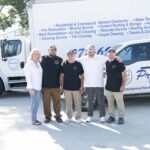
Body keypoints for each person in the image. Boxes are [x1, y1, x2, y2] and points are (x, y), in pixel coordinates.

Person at [78, 44, 107, 123]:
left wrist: (117, 58)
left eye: (92, 49)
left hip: (99, 84)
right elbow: (73, 60)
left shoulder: (100, 58)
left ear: (95, 50)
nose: (90, 50)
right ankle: (89, 116)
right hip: (88, 84)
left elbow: (111, 59)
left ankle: (102, 116)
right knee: (89, 101)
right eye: (89, 49)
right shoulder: (83, 59)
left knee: (101, 101)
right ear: (86, 51)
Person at [41, 45, 63, 123]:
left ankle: (58, 116)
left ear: (56, 51)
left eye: (54, 50)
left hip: (56, 86)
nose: (52, 51)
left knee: (57, 103)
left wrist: (61, 86)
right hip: (45, 86)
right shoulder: (43, 59)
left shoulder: (59, 60)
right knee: (46, 103)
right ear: (48, 50)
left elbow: (61, 74)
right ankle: (47, 117)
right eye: (51, 50)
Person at [61, 50, 84, 122]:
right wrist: (61, 86)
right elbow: (62, 76)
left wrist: (82, 86)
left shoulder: (78, 64)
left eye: (71, 54)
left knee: (78, 103)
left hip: (76, 87)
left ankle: (78, 117)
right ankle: (69, 117)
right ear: (67, 55)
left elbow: (82, 76)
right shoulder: (64, 64)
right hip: (66, 88)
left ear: (74, 55)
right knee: (68, 103)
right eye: (68, 54)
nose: (70, 55)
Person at [105, 48, 127, 124]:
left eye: (112, 52)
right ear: (107, 54)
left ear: (115, 54)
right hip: (108, 88)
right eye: (109, 52)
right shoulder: (107, 62)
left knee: (120, 103)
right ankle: (112, 117)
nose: (111, 54)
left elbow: (124, 74)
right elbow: (108, 73)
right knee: (110, 104)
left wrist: (123, 85)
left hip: (118, 88)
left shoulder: (119, 62)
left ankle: (121, 117)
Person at [24, 48, 43, 125]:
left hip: (38, 87)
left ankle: (33, 119)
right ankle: (33, 120)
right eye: (35, 53)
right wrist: (31, 88)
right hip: (33, 87)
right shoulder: (29, 64)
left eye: (38, 54)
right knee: (36, 103)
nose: (36, 55)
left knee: (34, 103)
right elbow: (28, 77)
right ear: (31, 55)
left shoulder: (38, 63)